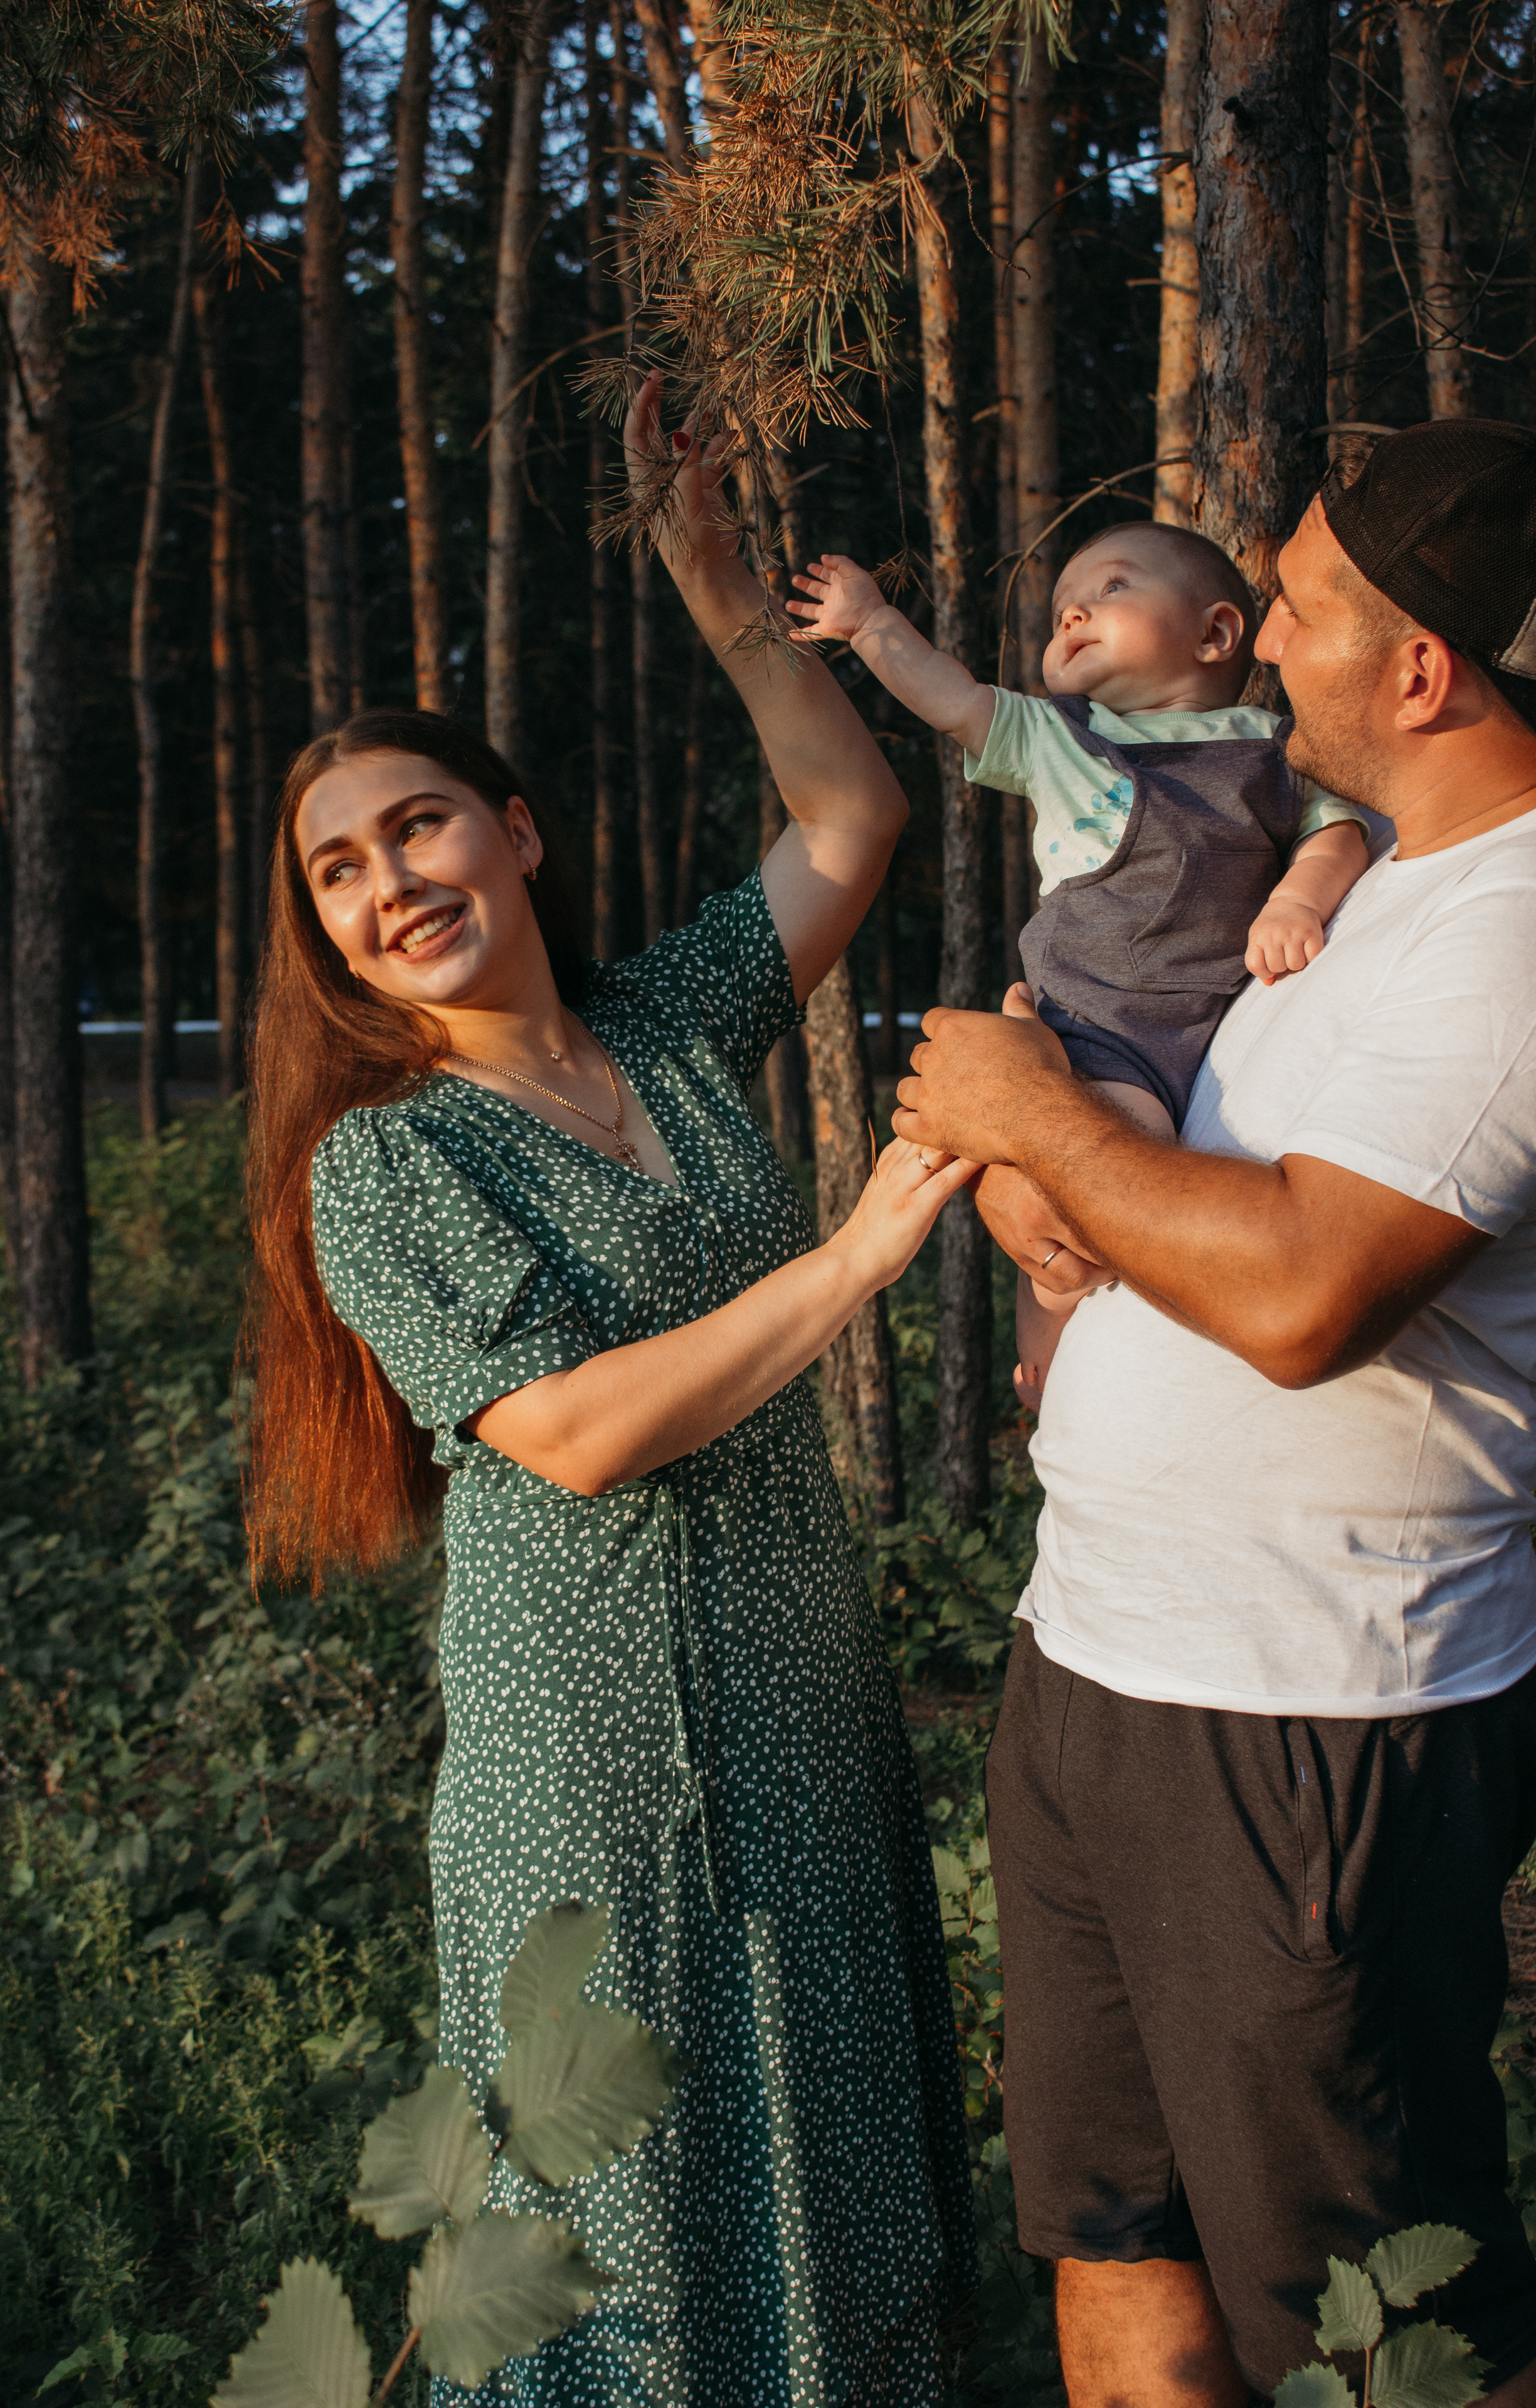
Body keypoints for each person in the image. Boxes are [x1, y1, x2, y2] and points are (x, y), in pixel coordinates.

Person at [241, 377, 977, 2405]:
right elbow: (564, 1433)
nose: (390, 881)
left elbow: (854, 816)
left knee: (829, 2235)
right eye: (339, 873)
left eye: (419, 822)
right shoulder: (384, 1163)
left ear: (516, 832)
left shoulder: (659, 1025)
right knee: (637, 2272)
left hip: (801, 1735)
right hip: (599, 1791)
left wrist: (711, 577)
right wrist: (851, 1258)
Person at [891, 417, 1536, 2405]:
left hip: (1310, 1718)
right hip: (1099, 1656)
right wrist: (1041, 1178)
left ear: (1424, 671)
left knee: (1387, 2318)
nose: (1258, 636)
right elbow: (1179, 1167)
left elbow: (1295, 1294)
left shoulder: (1527, 936)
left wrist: (1021, 1114)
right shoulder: (1372, 880)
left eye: (1297, 604)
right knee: (1117, 2246)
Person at [787, 525, 1372, 1402]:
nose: (1073, 609)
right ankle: (1046, 1349)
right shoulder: (1058, 738)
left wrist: (1296, 899)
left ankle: (1058, 1347)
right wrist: (870, 623)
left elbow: (1338, 833)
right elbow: (952, 697)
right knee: (1092, 1189)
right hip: (1097, 1027)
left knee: (1121, 1191)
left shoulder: (1274, 749)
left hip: (1211, 1024)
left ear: (1214, 635)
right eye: (1065, 604)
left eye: (1113, 587)